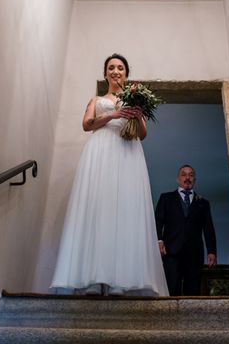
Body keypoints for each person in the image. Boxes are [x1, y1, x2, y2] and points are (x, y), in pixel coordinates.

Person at [50, 54, 168, 296]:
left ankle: (120, 281)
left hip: (127, 154)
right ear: (105, 74)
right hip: (100, 152)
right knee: (98, 210)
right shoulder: (96, 99)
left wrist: (136, 114)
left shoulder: (136, 99)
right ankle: (93, 278)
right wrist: (113, 115)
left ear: (126, 73)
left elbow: (142, 134)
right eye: (111, 68)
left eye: (120, 68)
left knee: (124, 212)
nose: (116, 71)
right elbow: (87, 124)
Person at [155, 164, 217, 296]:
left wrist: (211, 251)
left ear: (194, 180)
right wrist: (159, 240)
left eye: (191, 175)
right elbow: (157, 221)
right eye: (184, 174)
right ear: (178, 179)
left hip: (194, 254)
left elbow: (208, 228)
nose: (187, 177)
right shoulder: (166, 198)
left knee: (193, 291)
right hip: (171, 252)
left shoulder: (203, 203)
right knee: (171, 290)